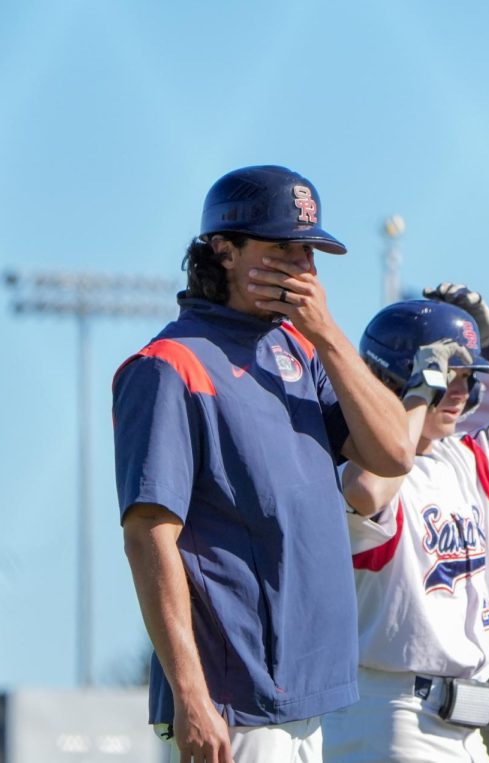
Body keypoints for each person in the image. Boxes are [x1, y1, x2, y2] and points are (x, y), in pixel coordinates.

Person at [111, 165, 414, 763]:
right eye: (282, 248)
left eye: (310, 251)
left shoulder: (300, 348)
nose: (302, 267)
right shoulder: (168, 365)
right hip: (233, 704)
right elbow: (149, 538)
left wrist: (328, 334)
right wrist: (191, 696)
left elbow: (393, 452)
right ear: (223, 250)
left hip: (307, 697)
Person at [323, 285, 489, 763]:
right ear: (392, 380)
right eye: (445, 376)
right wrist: (417, 395)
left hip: (462, 726)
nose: (459, 390)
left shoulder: (467, 459)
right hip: (389, 715)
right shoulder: (357, 467)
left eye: (467, 375)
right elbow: (368, 491)